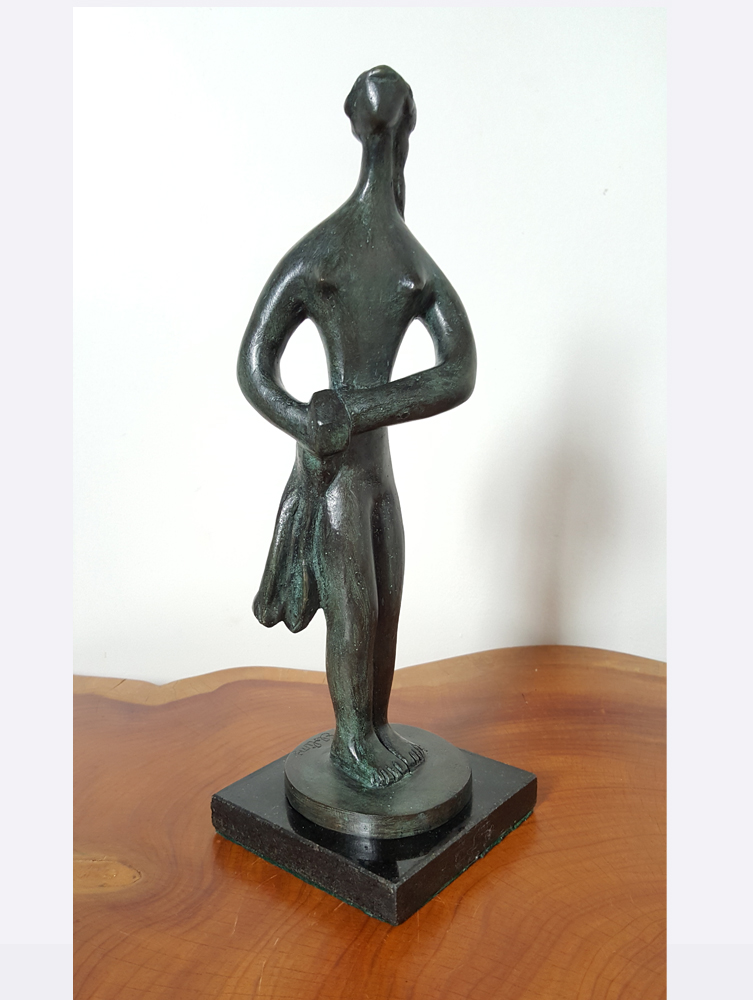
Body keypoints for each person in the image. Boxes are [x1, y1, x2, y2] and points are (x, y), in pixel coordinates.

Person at [238, 66, 477, 789]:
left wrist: (358, 410)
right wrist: (305, 423)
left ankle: (373, 728)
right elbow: (254, 364)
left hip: (371, 467)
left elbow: (459, 370)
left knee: (386, 601)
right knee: (358, 606)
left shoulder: (399, 259)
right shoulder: (357, 254)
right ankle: (351, 742)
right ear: (404, 129)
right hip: (342, 473)